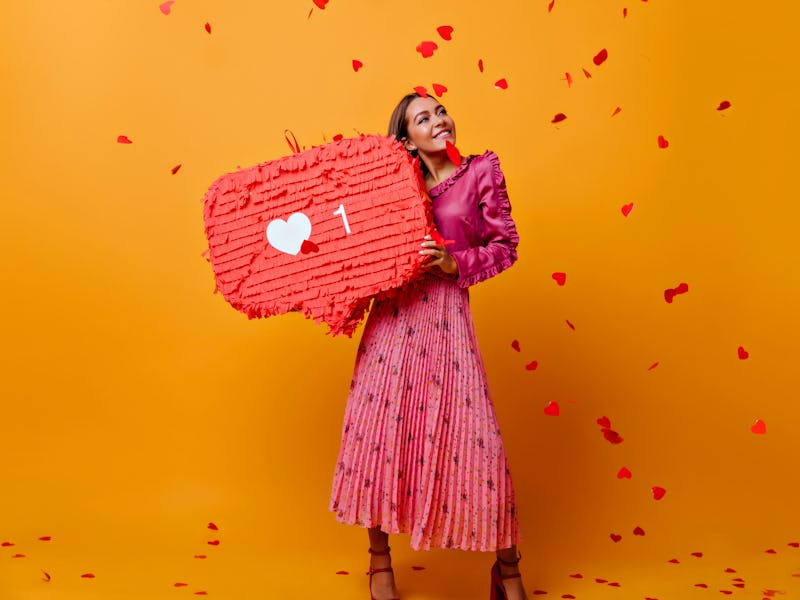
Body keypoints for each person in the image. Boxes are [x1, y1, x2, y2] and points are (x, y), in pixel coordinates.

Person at [329, 92, 528, 600]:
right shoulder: (392, 187)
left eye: (441, 110)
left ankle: (508, 571)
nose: (439, 121)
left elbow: (504, 247)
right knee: (378, 438)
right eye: (424, 118)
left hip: (446, 320)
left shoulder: (481, 172)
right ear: (408, 139)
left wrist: (453, 262)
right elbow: (359, 246)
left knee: (477, 441)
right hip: (393, 321)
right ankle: (379, 563)